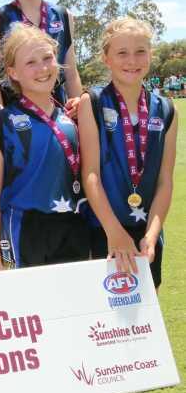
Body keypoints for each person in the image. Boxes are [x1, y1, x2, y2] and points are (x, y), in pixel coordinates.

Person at [78, 18, 177, 287]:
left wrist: (152, 235)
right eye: (122, 53)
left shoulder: (166, 109)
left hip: (147, 233)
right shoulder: (94, 102)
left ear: (150, 55)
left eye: (140, 51)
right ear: (106, 58)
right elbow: (91, 174)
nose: (132, 60)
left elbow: (165, 181)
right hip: (104, 229)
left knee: (146, 314)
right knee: (105, 320)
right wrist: (115, 232)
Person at [0, 24, 89, 270]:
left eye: (47, 58)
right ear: (13, 72)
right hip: (23, 230)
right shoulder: (0, 122)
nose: (42, 68)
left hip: (73, 227)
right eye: (30, 62)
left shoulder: (74, 117)